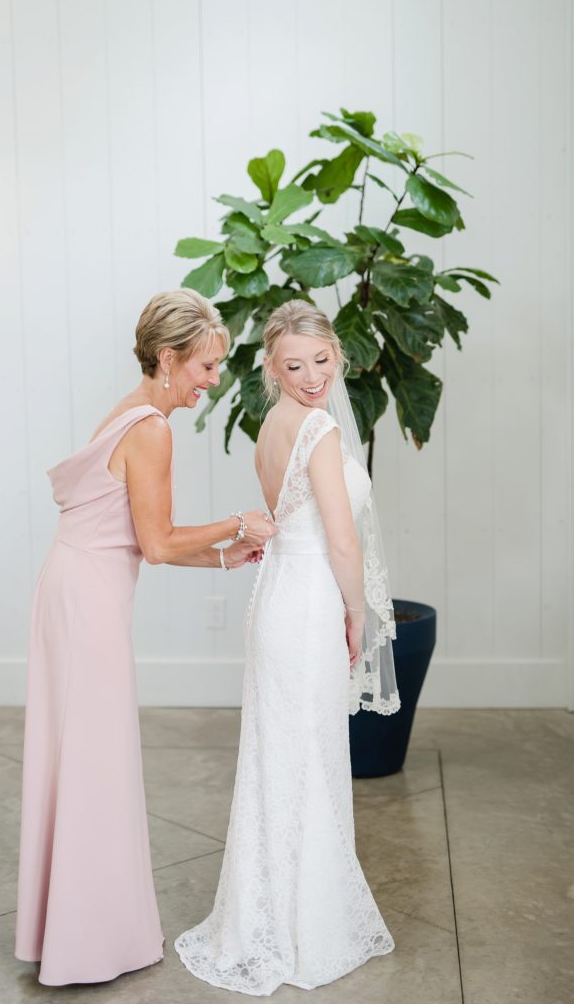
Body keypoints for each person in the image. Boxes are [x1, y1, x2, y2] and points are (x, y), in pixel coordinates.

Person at [15, 289, 276, 986]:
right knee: (95, 758)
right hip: (89, 602)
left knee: (80, 753)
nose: (212, 380)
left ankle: (75, 930)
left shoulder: (128, 415)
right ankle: (90, 940)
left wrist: (225, 557)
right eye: (206, 366)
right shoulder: (152, 430)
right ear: (167, 357)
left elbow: (138, 539)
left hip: (70, 586)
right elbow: (156, 543)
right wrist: (239, 523)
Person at [175, 299, 400, 995]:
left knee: (281, 757)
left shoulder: (269, 427)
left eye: (321, 361)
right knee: (309, 758)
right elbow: (341, 540)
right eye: (294, 366)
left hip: (277, 596)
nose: (311, 376)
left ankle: (267, 916)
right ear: (271, 368)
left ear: (338, 355)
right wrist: (356, 614)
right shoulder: (319, 429)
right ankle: (302, 928)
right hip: (307, 605)